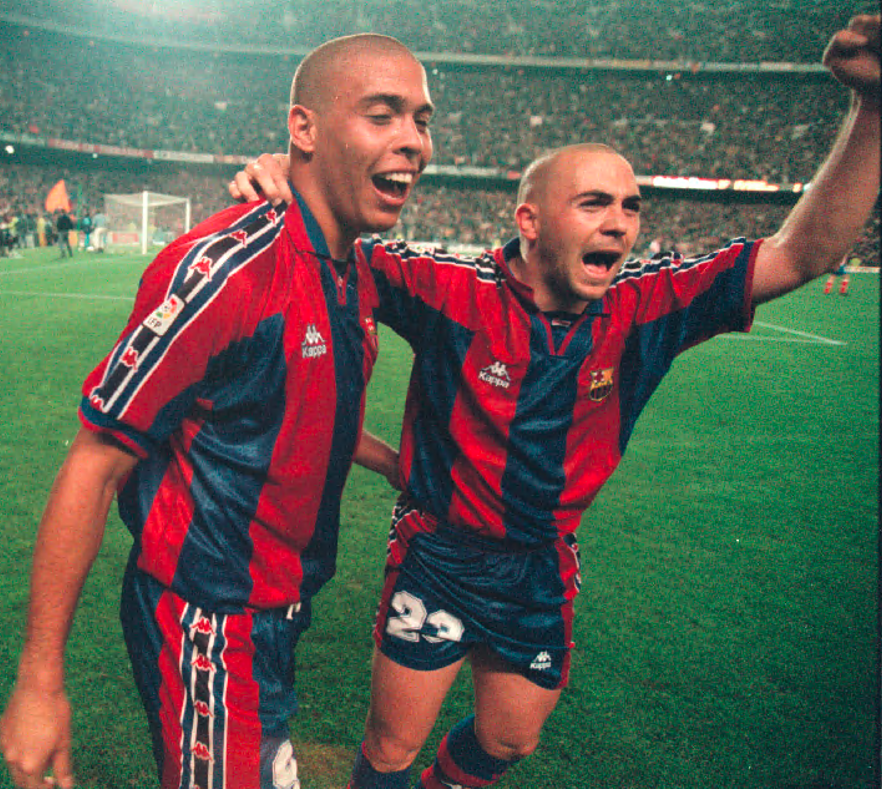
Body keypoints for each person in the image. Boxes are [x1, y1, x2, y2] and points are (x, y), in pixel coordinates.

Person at [230, 15, 879, 789]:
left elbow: (805, 253)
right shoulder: (452, 291)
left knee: (507, 740)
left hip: (541, 565)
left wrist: (872, 109)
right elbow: (333, 238)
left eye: (631, 207)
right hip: (439, 556)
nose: (620, 223)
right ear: (531, 221)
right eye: (595, 203)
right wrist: (280, 176)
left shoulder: (647, 305)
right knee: (391, 748)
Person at [0, 32, 431, 789]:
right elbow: (97, 463)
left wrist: (394, 463)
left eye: (422, 120)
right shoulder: (228, 269)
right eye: (383, 114)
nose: (413, 141)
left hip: (277, 608)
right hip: (208, 617)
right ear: (303, 129)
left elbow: (296, 409)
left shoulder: (354, 270)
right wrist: (40, 682)